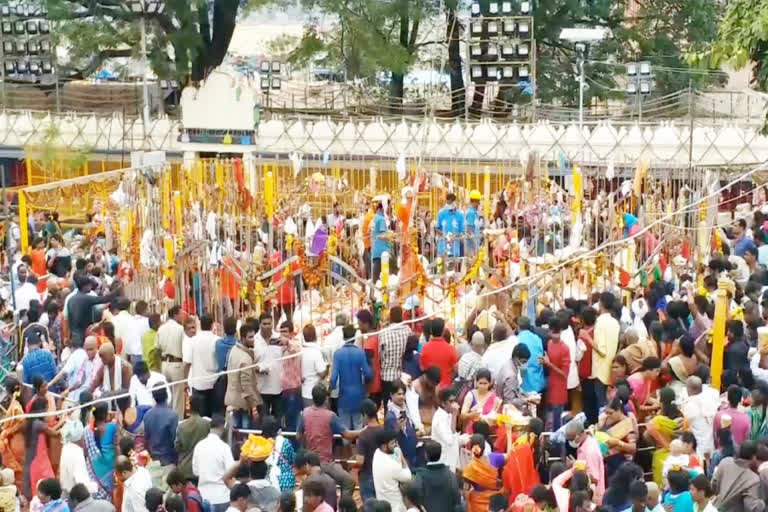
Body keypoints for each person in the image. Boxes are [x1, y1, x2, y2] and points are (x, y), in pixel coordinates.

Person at [297, 384, 358, 498]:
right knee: (349, 482)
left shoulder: (304, 413)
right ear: (326, 399)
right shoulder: (330, 415)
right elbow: (347, 435)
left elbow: (298, 435)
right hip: (326, 463)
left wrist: (306, 447)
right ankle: (344, 507)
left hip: (310, 463)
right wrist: (364, 430)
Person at [586, 292, 620, 426]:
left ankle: (603, 432)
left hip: (600, 370)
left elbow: (602, 350)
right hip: (611, 368)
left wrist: (587, 338)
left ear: (601, 304)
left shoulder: (600, 322)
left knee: (602, 407)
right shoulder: (615, 322)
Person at [330, 324, 372, 429]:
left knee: (345, 429)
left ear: (344, 337)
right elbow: (368, 374)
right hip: (359, 396)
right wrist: (365, 385)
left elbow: (333, 378)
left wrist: (330, 389)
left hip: (344, 397)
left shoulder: (338, 354)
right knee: (359, 426)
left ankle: (347, 445)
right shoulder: (360, 353)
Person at [193, 414, 236, 512]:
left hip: (203, 496)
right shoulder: (224, 448)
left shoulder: (199, 446)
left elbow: (196, 472)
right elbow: (231, 471)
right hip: (222, 496)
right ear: (222, 427)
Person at [225, 323, 261, 429]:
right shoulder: (246, 358)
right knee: (246, 437)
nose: (253, 339)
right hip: (243, 405)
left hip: (232, 401)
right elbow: (246, 386)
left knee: (234, 436)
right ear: (243, 338)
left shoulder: (234, 350)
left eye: (253, 336)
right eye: (250, 337)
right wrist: (254, 409)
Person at [712, 440, 764, 512]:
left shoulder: (725, 462)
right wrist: (763, 503)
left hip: (714, 508)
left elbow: (713, 485)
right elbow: (752, 507)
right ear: (754, 457)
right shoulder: (753, 479)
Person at [142, 383, 179, 481]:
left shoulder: (147, 415)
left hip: (153, 462)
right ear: (167, 396)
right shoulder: (173, 416)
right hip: (169, 462)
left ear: (153, 397)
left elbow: (146, 439)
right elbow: (175, 441)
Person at [412, 440, 461, 512]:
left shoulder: (421, 475)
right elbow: (457, 499)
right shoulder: (450, 474)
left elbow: (417, 496)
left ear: (426, 455)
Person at [23, 397, 57, 499]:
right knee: (48, 484)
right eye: (46, 409)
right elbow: (54, 433)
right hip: (39, 459)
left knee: (38, 487)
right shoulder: (38, 424)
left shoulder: (30, 421)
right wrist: (63, 420)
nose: (47, 411)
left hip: (33, 459)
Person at [187, 313, 219, 418]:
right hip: (214, 382)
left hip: (198, 383)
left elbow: (187, 363)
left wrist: (185, 381)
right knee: (213, 416)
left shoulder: (193, 341)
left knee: (200, 416)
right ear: (212, 325)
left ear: (200, 325)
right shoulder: (217, 341)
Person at [598, 396, 637, 481]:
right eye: (606, 412)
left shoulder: (627, 423)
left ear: (619, 410)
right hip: (606, 463)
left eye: (611, 413)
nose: (608, 415)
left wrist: (619, 443)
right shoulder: (604, 419)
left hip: (622, 465)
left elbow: (633, 448)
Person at [372, 429, 412, 512]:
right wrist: (401, 457)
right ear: (383, 446)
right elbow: (408, 477)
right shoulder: (391, 465)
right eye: (392, 443)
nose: (395, 445)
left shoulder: (377, 453)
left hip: (383, 505)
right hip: (396, 507)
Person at [82, 403, 116, 500]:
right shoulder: (112, 427)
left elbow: (85, 451)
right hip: (109, 469)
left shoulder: (86, 430)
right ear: (106, 414)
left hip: (93, 471)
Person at [565, 421, 605, 505]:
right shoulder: (584, 445)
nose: (570, 442)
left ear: (578, 435)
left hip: (593, 499)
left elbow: (594, 479)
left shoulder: (590, 451)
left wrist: (576, 467)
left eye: (571, 439)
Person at [156, 305, 186, 417]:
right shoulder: (180, 329)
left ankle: (167, 417)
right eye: (181, 313)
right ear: (175, 315)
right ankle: (177, 422)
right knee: (178, 397)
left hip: (164, 364)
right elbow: (185, 347)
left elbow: (157, 348)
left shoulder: (161, 328)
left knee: (168, 395)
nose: (182, 316)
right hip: (176, 364)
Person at [174, 394, 211, 482]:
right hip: (202, 468)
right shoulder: (206, 424)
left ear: (190, 406)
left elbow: (177, 447)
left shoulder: (182, 426)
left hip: (185, 468)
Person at [52, 336, 99, 404]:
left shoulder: (101, 360)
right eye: (86, 350)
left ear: (97, 347)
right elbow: (78, 381)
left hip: (94, 399)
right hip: (77, 399)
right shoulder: (82, 358)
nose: (88, 352)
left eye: (91, 349)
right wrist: (67, 390)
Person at [431, 387, 467, 473]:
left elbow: (453, 433)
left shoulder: (449, 414)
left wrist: (463, 439)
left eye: (455, 401)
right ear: (443, 403)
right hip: (443, 461)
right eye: (451, 402)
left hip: (451, 461)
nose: (454, 405)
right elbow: (450, 440)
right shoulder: (439, 418)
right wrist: (455, 415)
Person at [543, 319, 571, 432]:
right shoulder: (549, 344)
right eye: (553, 333)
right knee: (550, 416)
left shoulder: (565, 348)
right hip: (551, 384)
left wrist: (549, 364)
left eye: (557, 333)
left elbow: (565, 374)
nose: (555, 335)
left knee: (557, 418)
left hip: (559, 387)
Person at [379, 306, 411, 401]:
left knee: (388, 406)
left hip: (387, 376)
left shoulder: (384, 333)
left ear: (391, 317)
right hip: (403, 376)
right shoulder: (408, 331)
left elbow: (381, 355)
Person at [59, 420, 97, 497]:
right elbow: (82, 482)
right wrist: (95, 486)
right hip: (76, 497)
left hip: (67, 493)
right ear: (81, 437)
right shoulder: (77, 452)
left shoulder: (66, 447)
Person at [682, 376, 716, 459]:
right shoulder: (710, 398)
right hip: (712, 441)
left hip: (701, 443)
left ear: (688, 389)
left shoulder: (690, 404)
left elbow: (686, 418)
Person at [0, 377, 25, 490]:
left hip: (16, 441)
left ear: (6, 389)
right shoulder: (14, 402)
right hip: (14, 439)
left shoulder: (16, 406)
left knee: (18, 468)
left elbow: (21, 422)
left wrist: (8, 431)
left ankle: (19, 490)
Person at [419, 318, 458, 389]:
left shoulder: (425, 348)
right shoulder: (450, 349)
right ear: (443, 331)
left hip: (430, 388)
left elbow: (422, 368)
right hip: (445, 388)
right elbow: (456, 369)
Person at [460, 368, 501, 434]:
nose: (482, 386)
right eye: (480, 383)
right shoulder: (471, 395)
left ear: (490, 383)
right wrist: (472, 415)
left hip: (488, 431)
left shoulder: (494, 397)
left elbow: (497, 415)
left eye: (485, 383)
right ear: (476, 383)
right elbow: (462, 415)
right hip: (473, 431)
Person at [262, 415, 296, 492]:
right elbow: (291, 460)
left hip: (268, 481)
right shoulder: (285, 442)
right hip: (286, 480)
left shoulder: (261, 445)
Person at [357, 399, 382, 501]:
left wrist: (351, 465)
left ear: (365, 415)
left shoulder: (363, 435)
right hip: (382, 475)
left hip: (367, 476)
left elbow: (360, 461)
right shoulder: (383, 431)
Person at [495, 344, 532, 411]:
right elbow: (509, 401)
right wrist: (526, 400)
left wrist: (526, 394)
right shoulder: (511, 375)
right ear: (516, 358)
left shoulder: (509, 364)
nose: (525, 365)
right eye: (523, 362)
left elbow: (515, 388)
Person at [301, 324, 328, 407]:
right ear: (315, 336)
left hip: (304, 392)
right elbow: (322, 374)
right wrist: (328, 366)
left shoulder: (301, 351)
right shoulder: (316, 352)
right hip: (315, 394)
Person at [517, 317, 545, 396]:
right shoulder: (537, 338)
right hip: (538, 382)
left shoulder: (517, 340)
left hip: (525, 385)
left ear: (518, 327)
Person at [370, 198, 392, 283]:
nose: (389, 209)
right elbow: (382, 235)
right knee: (383, 276)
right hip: (382, 250)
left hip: (375, 249)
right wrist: (391, 236)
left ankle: (373, 293)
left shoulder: (375, 217)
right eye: (388, 206)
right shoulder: (381, 219)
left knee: (375, 274)